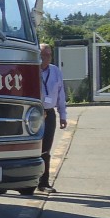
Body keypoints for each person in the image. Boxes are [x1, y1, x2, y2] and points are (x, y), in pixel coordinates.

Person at [37, 43, 67, 192]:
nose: (47, 58)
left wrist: (63, 115)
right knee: (32, 147)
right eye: (44, 55)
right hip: (34, 113)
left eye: (49, 55)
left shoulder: (55, 71)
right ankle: (28, 181)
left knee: (46, 149)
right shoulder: (32, 70)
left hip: (49, 113)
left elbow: (61, 94)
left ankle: (43, 183)